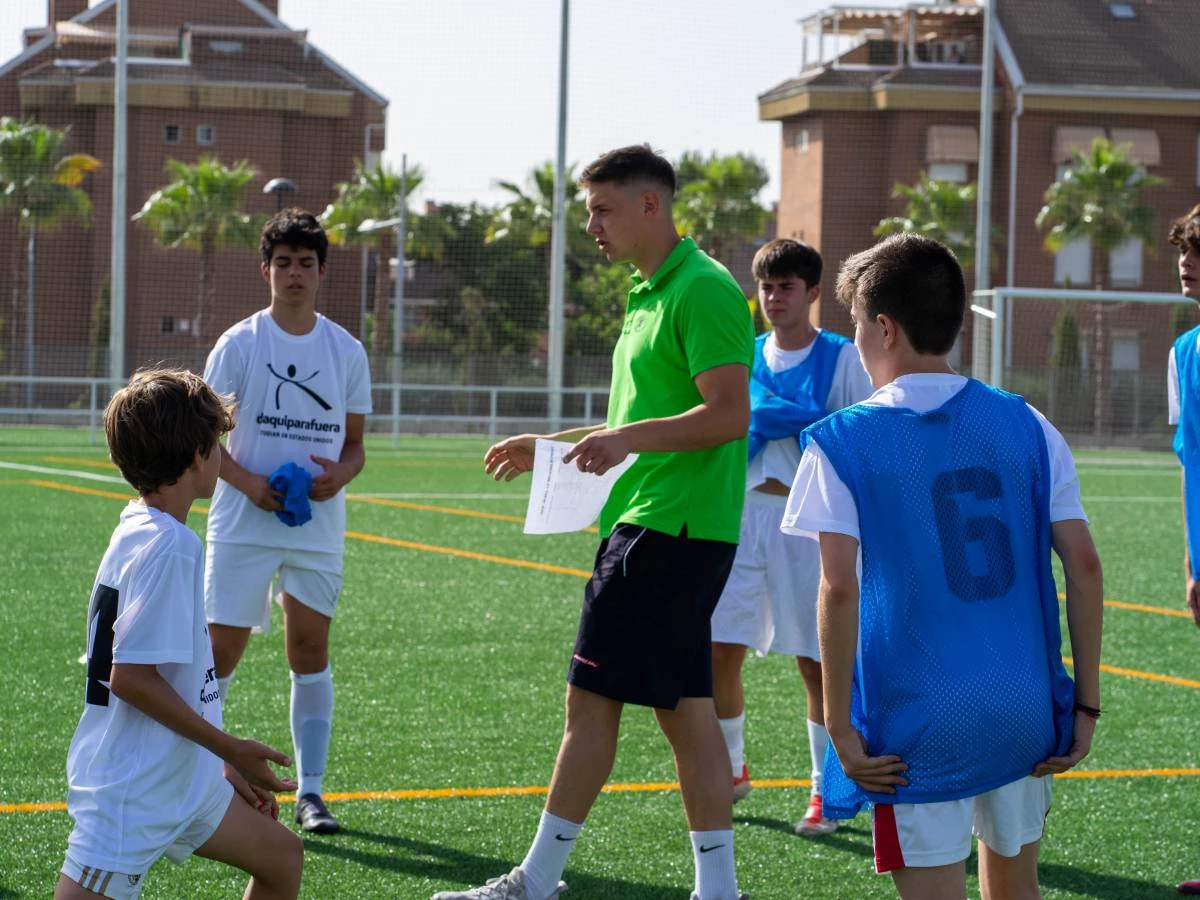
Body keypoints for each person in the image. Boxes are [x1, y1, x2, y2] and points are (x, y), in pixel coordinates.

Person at [432, 145, 753, 900]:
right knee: (688, 714)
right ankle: (718, 892)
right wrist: (553, 443)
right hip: (662, 529)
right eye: (588, 212)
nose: (592, 226)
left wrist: (626, 441)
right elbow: (639, 421)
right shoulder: (648, 295)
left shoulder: (701, 289)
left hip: (666, 532)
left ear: (651, 205)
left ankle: (537, 881)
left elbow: (729, 415)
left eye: (602, 210)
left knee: (593, 703)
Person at [781, 233, 1104, 899]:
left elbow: (839, 587)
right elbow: (1086, 567)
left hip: (915, 722)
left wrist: (840, 726)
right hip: (1023, 706)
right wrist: (1088, 705)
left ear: (884, 328)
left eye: (856, 327)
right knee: (1016, 889)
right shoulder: (1028, 423)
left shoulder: (841, 441)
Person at [56, 368, 303, 900]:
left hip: (182, 781)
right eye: (217, 441)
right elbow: (132, 680)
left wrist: (213, 767)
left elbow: (175, 675)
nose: (221, 453)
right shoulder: (169, 546)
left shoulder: (142, 525)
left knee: (283, 857)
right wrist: (231, 749)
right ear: (196, 454)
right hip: (134, 794)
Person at [202, 208, 372, 834]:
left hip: (316, 530)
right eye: (283, 263)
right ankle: (203, 773)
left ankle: (313, 793)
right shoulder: (239, 344)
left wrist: (340, 477)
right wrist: (249, 485)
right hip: (243, 522)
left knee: (309, 650)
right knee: (220, 654)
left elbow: (355, 445)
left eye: (305, 263)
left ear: (322, 272)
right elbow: (205, 437)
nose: (294, 274)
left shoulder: (345, 350)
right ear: (265, 270)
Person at [709, 238, 872, 834]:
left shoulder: (841, 357)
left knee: (816, 661)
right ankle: (730, 769)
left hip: (810, 524)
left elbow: (857, 433)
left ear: (810, 293)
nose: (773, 298)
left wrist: (781, 416)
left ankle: (824, 793)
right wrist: (791, 414)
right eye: (766, 287)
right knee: (718, 649)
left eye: (786, 287)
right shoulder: (741, 355)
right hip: (740, 515)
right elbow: (726, 423)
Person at [1166, 203, 1200, 898]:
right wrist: (1195, 563)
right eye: (1184, 250)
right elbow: (1188, 460)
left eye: (1196, 250)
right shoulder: (1183, 353)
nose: (1185, 260)